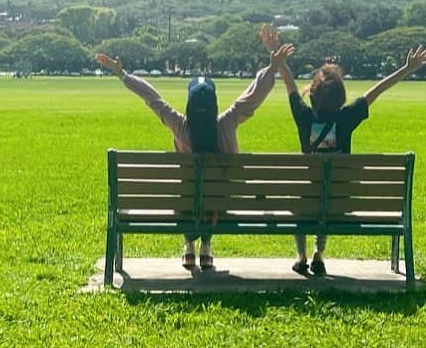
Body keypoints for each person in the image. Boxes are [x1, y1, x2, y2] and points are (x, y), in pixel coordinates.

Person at [96, 31, 293, 271]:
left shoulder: (180, 126)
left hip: (186, 204)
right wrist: (272, 68)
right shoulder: (227, 123)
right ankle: (206, 247)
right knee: (213, 192)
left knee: (189, 193)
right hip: (221, 204)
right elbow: (252, 97)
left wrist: (122, 74)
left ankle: (189, 246)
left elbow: (153, 99)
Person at [263, 26, 426, 277]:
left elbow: (288, 82)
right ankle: (319, 254)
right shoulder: (346, 118)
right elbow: (378, 90)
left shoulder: (303, 116)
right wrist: (407, 68)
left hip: (306, 202)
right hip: (340, 203)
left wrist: (276, 55)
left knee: (304, 198)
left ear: (312, 94)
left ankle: (301, 256)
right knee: (327, 193)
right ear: (341, 97)